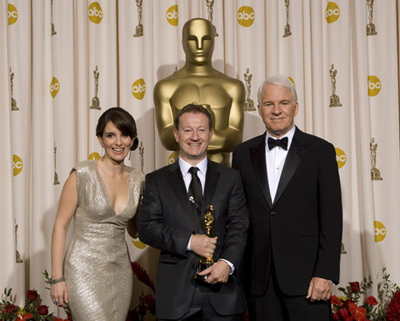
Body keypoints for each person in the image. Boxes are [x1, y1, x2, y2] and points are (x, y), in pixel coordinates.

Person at [232, 75, 343, 320]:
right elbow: (238, 217)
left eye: (283, 103)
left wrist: (325, 273)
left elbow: (332, 217)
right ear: (259, 109)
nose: (276, 110)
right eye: (269, 104)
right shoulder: (241, 153)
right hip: (259, 281)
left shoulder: (321, 151)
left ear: (296, 107)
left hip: (308, 281)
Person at [138, 104, 249, 320]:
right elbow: (146, 228)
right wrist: (190, 241)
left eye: (201, 130)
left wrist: (226, 263)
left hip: (223, 295)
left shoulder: (231, 178)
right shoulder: (157, 180)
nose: (195, 137)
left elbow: (239, 225)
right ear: (177, 135)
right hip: (177, 297)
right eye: (188, 130)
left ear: (211, 134)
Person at [50, 107, 144, 321]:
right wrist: (57, 278)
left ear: (132, 139)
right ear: (100, 139)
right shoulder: (82, 174)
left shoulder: (139, 179)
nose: (118, 142)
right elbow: (60, 226)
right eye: (110, 135)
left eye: (124, 135)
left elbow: (133, 230)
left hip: (120, 270)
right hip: (83, 269)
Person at [153, 18, 245, 167]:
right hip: (180, 181)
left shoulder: (232, 87)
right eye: (192, 39)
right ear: (183, 42)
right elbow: (167, 139)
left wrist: (188, 135)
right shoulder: (166, 87)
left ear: (214, 41)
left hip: (223, 179)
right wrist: (209, 134)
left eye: (206, 39)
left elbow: (235, 138)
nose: (200, 46)